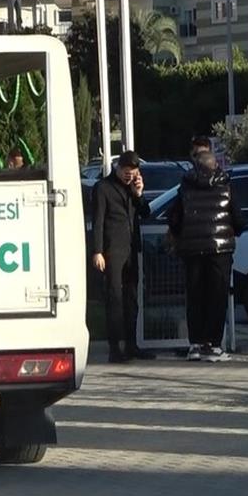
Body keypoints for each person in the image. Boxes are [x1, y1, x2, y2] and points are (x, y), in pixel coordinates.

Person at [168, 137, 246, 363]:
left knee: (195, 297)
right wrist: (236, 230)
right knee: (217, 296)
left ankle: (195, 344)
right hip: (220, 251)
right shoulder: (226, 186)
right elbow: (238, 218)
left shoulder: (185, 187)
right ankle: (213, 344)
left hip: (192, 250)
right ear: (214, 165)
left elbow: (175, 217)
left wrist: (180, 234)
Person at [91, 151, 153, 362]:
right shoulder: (103, 188)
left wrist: (139, 194)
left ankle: (131, 344)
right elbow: (98, 221)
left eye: (134, 173)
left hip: (131, 248)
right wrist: (97, 251)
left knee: (131, 299)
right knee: (114, 299)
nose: (129, 176)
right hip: (112, 249)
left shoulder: (132, 188)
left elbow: (146, 212)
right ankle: (114, 347)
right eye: (127, 172)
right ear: (118, 168)